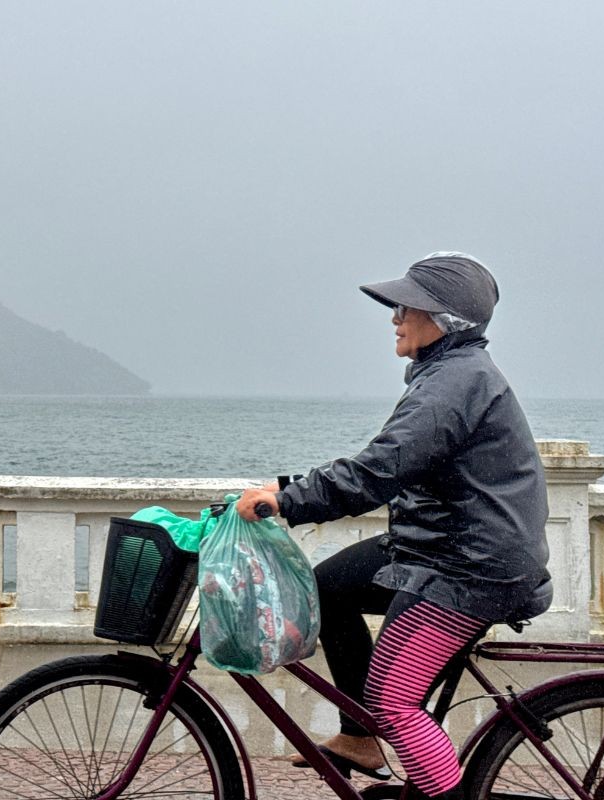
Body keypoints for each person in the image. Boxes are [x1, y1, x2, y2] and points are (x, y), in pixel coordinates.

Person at [236, 252, 551, 800]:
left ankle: (396, 745)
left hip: (471, 565)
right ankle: (361, 739)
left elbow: (379, 471)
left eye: (407, 306)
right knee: (324, 588)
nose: (395, 317)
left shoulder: (454, 383)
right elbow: (388, 464)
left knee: (392, 698)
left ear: (444, 319)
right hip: (438, 546)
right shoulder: (448, 374)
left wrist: (287, 500)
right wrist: (287, 489)